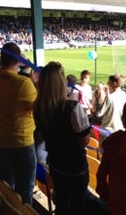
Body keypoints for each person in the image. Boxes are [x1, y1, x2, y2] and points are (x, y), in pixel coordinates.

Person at [34, 61, 92, 215]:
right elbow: (84, 140)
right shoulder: (72, 107)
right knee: (77, 206)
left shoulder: (38, 108)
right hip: (75, 168)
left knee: (61, 201)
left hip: (55, 164)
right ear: (60, 83)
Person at [0, 42, 37, 204]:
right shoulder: (23, 83)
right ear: (18, 59)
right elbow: (37, 107)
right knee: (25, 190)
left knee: (7, 184)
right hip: (20, 142)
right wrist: (34, 82)